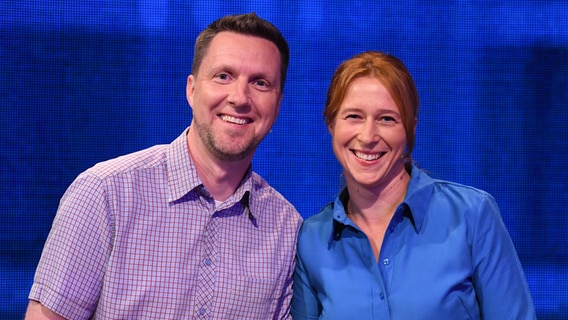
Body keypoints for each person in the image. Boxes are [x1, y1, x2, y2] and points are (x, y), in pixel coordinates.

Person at [25, 12, 302, 320]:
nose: (240, 97)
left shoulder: (286, 229)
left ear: (277, 106)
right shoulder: (105, 193)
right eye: (223, 76)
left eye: (260, 83)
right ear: (192, 89)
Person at [291, 51, 536, 319]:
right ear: (331, 124)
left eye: (387, 119)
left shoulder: (472, 215)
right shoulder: (312, 239)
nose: (368, 136)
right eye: (354, 117)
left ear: (410, 129)